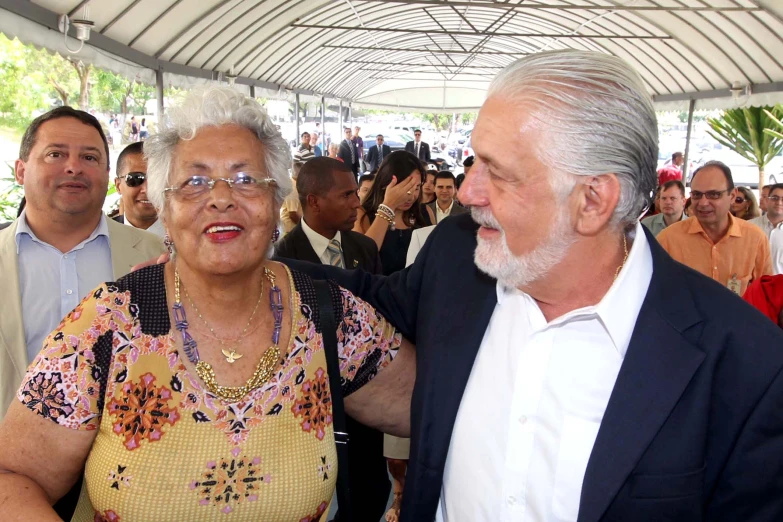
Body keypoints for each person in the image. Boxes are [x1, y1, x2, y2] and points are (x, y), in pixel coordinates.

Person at [282, 50, 783, 521]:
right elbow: (366, 299)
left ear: (593, 200)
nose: (469, 192)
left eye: (498, 174)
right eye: (475, 162)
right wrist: (254, 269)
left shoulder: (746, 367)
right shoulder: (459, 257)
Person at [0, 86, 414, 522]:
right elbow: (13, 477)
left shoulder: (330, 316)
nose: (221, 198)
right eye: (195, 181)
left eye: (245, 179)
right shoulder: (106, 323)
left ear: (276, 202)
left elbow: (437, 408)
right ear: (164, 206)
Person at [0, 107, 164, 520]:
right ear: (21, 169)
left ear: (108, 177)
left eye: (89, 157)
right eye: (55, 154)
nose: (73, 167)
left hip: (131, 477)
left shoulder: (156, 259)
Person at [273, 157, 389, 521]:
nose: (357, 202)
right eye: (347, 194)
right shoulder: (282, 258)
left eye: (357, 193)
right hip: (310, 406)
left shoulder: (364, 248)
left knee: (369, 491)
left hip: (366, 406)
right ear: (314, 201)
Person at [658, 161, 772, 296]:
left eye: (714, 195)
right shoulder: (668, 239)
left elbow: (766, 297)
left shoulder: (755, 239)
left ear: (733, 196)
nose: (703, 203)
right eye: (696, 195)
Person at [354, 151, 434, 275]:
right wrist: (389, 205)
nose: (411, 196)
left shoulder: (425, 212)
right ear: (386, 184)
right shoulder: (362, 214)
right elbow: (363, 259)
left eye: (417, 188)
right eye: (405, 189)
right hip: (377, 290)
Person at [113, 142, 165, 237]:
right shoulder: (101, 236)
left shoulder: (186, 236)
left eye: (156, 179)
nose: (147, 189)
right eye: (136, 178)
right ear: (118, 185)